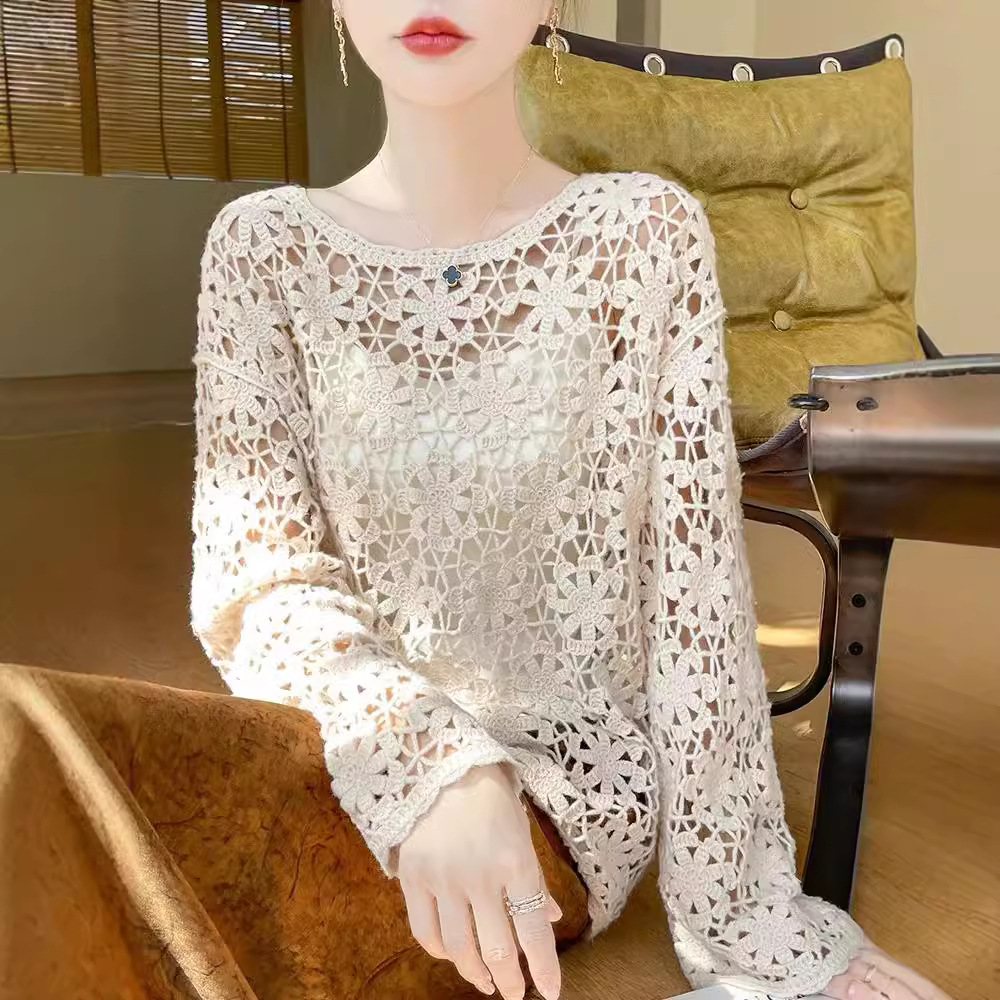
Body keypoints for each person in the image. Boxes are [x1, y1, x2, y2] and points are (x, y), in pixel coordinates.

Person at [0, 3, 953, 1000]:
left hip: (549, 807)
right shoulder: (262, 248)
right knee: (20, 732)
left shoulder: (642, 235)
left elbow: (697, 605)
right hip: (346, 748)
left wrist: (755, 920)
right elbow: (260, 584)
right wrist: (434, 761)